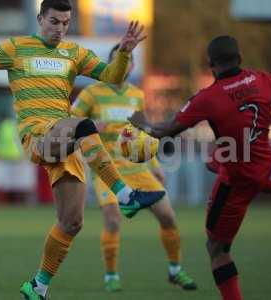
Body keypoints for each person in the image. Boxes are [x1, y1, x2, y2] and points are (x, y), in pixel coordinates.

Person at [0, 1, 165, 299]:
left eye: (65, 23)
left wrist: (126, 52)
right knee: (82, 124)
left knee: (72, 222)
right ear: (40, 19)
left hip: (67, 141)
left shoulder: (74, 53)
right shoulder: (16, 47)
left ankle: (38, 286)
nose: (60, 29)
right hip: (39, 135)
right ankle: (125, 194)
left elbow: (113, 77)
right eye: (54, 21)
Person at [129, 35, 271, 300]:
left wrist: (141, 124)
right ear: (240, 58)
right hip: (261, 160)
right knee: (218, 156)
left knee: (216, 248)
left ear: (210, 63)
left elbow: (166, 130)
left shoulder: (208, 98)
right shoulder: (262, 79)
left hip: (239, 178)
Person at [71, 44, 197, 292]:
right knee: (113, 220)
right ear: (109, 65)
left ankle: (175, 270)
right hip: (107, 168)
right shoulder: (91, 93)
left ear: (133, 66)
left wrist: (155, 163)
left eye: (127, 61)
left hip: (138, 169)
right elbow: (70, 121)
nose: (123, 65)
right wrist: (92, 124)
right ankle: (111, 275)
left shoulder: (137, 95)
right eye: (118, 61)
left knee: (168, 217)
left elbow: (141, 133)